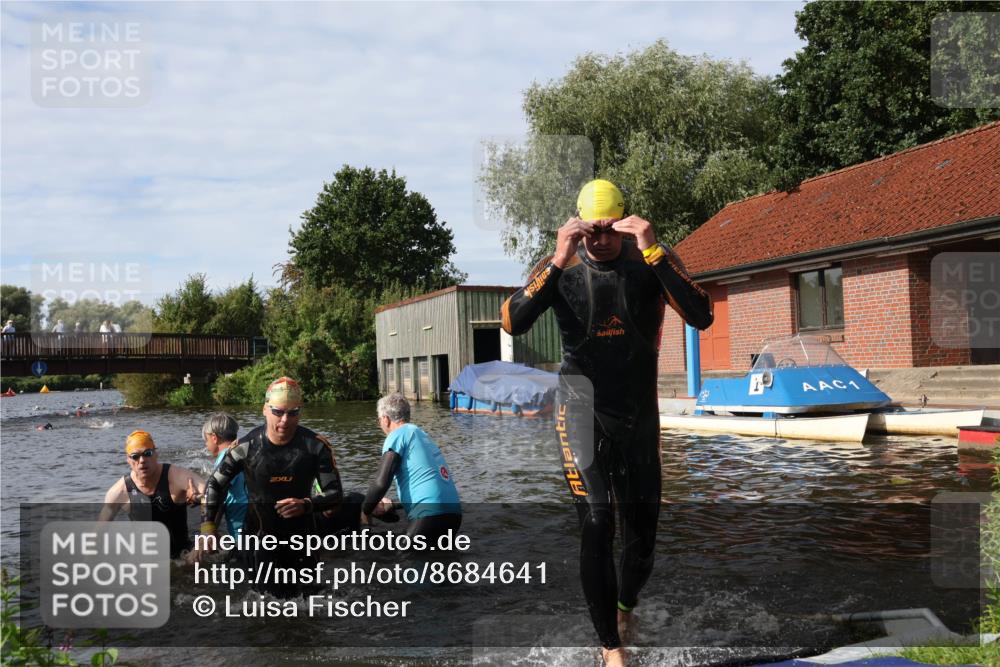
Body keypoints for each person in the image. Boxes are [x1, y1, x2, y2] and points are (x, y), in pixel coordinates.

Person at [500, 179, 713, 666]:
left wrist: (653, 250)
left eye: (609, 229)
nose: (599, 239)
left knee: (642, 541)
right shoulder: (560, 265)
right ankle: (610, 648)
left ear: (624, 220)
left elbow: (701, 316)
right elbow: (512, 321)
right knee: (597, 520)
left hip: (638, 416)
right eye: (591, 230)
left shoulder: (653, 258)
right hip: (579, 408)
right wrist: (558, 259)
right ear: (578, 224)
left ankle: (624, 608)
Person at [198, 377, 344, 597]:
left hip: (301, 535)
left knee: (308, 601)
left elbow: (336, 494)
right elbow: (215, 484)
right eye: (278, 412)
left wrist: (306, 504)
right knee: (264, 602)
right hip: (258, 535)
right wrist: (208, 528)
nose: (285, 420)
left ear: (300, 413)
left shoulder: (316, 446)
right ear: (265, 410)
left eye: (292, 413)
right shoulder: (246, 447)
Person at [361, 393, 461, 543]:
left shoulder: (397, 435)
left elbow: (381, 483)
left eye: (379, 420)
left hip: (428, 514)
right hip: (453, 515)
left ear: (386, 419)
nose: (380, 424)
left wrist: (365, 510)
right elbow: (425, 482)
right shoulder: (422, 435)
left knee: (404, 555)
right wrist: (393, 505)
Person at [99, 430, 205, 558]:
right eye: (135, 456)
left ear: (156, 454)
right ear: (128, 459)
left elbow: (211, 494)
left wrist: (206, 534)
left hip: (182, 557)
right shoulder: (119, 492)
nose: (142, 460)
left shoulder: (175, 477)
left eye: (147, 453)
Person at [201, 413, 248, 539]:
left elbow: (218, 496)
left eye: (206, 440)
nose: (206, 445)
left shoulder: (226, 459)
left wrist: (208, 532)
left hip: (242, 529)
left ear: (214, 438)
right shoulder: (242, 452)